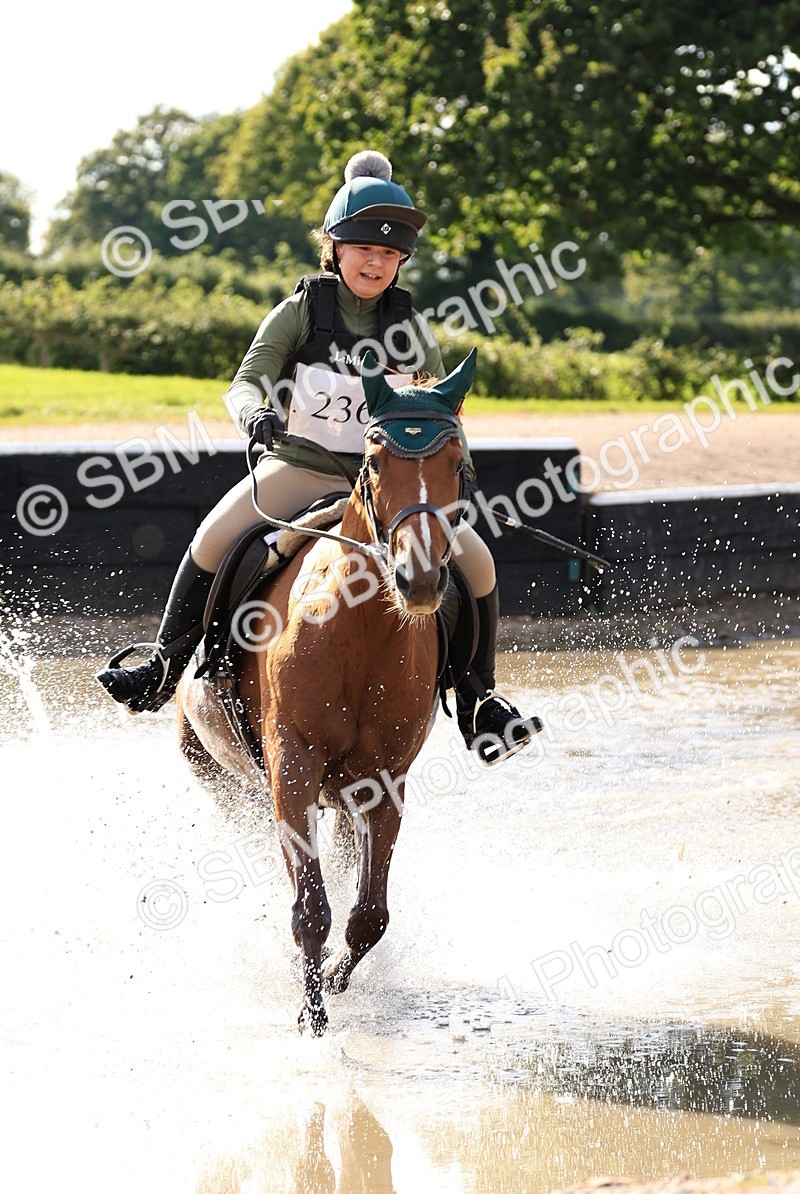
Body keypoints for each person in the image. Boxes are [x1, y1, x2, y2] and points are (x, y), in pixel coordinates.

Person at [97, 149, 541, 763]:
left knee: (480, 563)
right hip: (303, 468)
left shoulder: (412, 332)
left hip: (381, 485)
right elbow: (245, 382)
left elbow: (443, 414)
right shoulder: (300, 312)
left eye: (389, 254)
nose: (376, 262)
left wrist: (453, 470)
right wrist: (254, 415)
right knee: (211, 539)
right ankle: (167, 663)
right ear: (333, 249)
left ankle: (479, 701)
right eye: (364, 250)